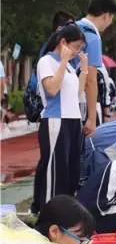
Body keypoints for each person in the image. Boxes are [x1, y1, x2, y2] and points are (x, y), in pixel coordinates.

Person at [31, 24, 88, 215]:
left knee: (72, 172)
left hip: (73, 120)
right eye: (75, 47)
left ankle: (65, 214)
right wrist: (63, 61)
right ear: (63, 42)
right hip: (56, 120)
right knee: (56, 173)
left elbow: (76, 93)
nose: (77, 52)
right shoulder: (47, 62)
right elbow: (52, 89)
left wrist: (84, 71)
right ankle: (48, 215)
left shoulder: (69, 67)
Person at [76, 0, 116, 136]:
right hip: (76, 103)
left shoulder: (71, 28)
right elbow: (90, 80)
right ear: (106, 16)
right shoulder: (92, 37)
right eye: (111, 18)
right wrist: (92, 119)